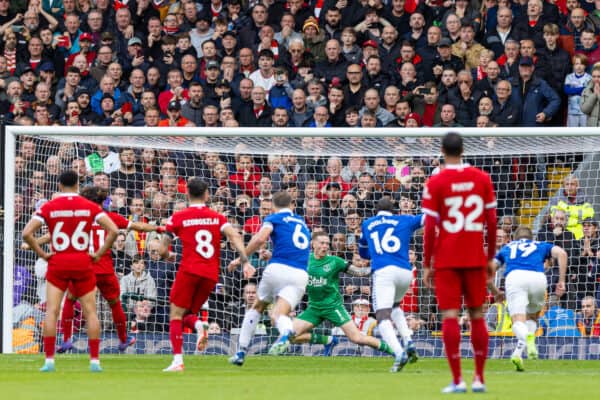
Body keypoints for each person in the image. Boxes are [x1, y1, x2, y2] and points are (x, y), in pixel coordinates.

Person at [422, 132, 497, 393]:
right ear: (463, 149)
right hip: (475, 256)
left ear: (442, 150)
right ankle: (479, 378)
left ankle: (457, 380)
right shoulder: (482, 178)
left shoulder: (436, 181)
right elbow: (492, 221)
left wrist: (427, 263)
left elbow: (430, 226)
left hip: (447, 258)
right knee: (477, 314)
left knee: (450, 315)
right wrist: (490, 257)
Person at [22, 170, 119, 372]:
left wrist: (42, 254)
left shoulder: (50, 206)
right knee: (91, 313)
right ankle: (94, 362)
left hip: (59, 261)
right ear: (77, 185)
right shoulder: (89, 206)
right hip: (83, 261)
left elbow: (26, 234)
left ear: (59, 185)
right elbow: (114, 230)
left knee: (52, 311)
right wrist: (99, 253)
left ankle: (49, 361)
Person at [54, 185, 160, 354]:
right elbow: (139, 227)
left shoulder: (78, 218)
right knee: (115, 304)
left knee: (70, 301)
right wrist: (158, 228)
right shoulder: (110, 217)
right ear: (102, 202)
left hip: (84, 268)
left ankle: (66, 338)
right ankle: (124, 339)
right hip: (105, 269)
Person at [159, 178, 251, 372]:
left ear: (187, 194)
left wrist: (167, 255)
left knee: (175, 314)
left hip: (189, 270)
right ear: (207, 194)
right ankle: (199, 326)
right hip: (210, 274)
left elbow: (161, 249)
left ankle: (177, 361)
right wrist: (245, 261)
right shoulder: (217, 217)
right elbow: (234, 236)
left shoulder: (178, 217)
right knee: (188, 313)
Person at [228, 191, 310, 366]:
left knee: (257, 306)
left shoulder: (273, 219)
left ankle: (241, 351)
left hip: (278, 269)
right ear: (292, 205)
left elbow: (260, 238)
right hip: (300, 274)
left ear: (273, 206)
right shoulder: (303, 223)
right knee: (279, 314)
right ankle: (287, 331)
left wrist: (241, 259)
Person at [288, 231, 395, 358]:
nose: (325, 246)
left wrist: (376, 268)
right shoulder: (304, 260)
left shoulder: (335, 261)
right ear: (313, 244)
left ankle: (396, 351)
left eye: (327, 244)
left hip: (333, 307)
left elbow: (359, 273)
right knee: (290, 335)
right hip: (314, 307)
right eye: (322, 243)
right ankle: (328, 340)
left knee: (357, 338)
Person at [357, 197, 423, 372]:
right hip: (405, 272)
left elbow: (363, 253)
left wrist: (376, 253)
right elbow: (427, 218)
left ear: (376, 210)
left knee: (382, 316)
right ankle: (408, 341)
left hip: (384, 272)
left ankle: (398, 352)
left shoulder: (368, 224)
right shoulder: (404, 220)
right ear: (394, 210)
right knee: (395, 307)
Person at [493, 226, 567, 371]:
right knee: (532, 317)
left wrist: (495, 290)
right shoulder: (540, 245)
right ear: (531, 238)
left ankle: (527, 336)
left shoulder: (508, 247)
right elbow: (562, 253)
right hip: (538, 278)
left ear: (514, 238)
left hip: (515, 277)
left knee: (518, 321)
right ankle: (518, 354)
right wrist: (562, 280)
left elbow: (489, 270)